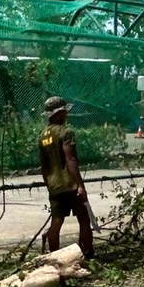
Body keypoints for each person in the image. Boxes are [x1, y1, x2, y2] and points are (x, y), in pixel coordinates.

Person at [38, 95, 94, 257]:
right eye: (64, 111)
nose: (66, 115)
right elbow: (70, 160)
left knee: (56, 221)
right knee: (83, 219)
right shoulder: (66, 132)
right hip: (70, 184)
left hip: (54, 185)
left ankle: (53, 257)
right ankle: (87, 252)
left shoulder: (43, 135)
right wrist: (80, 185)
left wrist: (49, 185)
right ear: (59, 113)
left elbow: (44, 165)